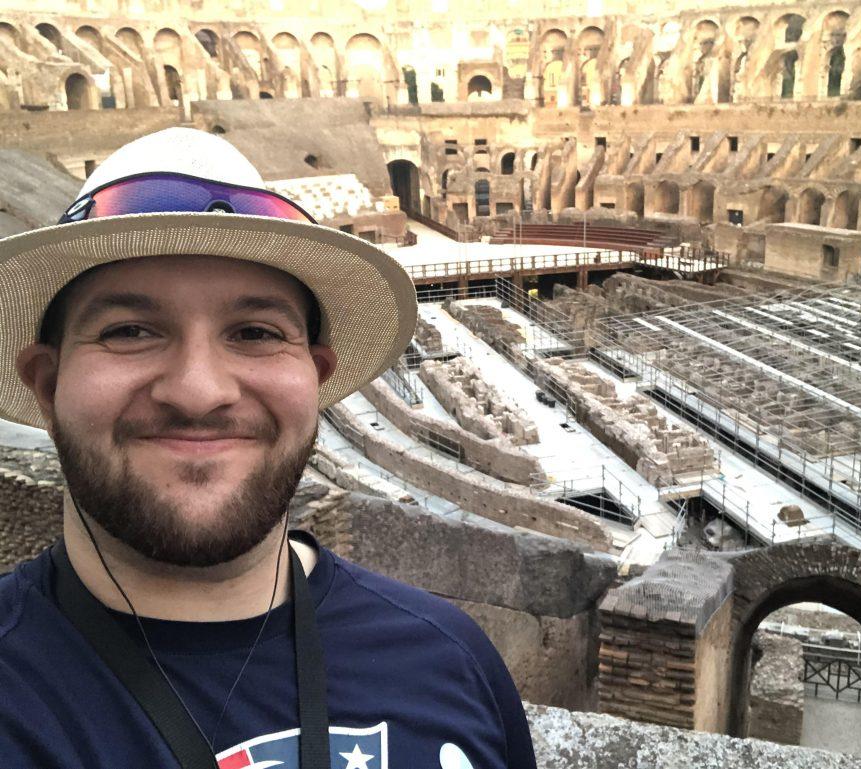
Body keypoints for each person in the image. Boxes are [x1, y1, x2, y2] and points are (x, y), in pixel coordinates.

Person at [0, 127, 537, 769]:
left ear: (317, 377)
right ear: (48, 384)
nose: (198, 392)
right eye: (129, 330)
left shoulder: (455, 664)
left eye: (255, 332)